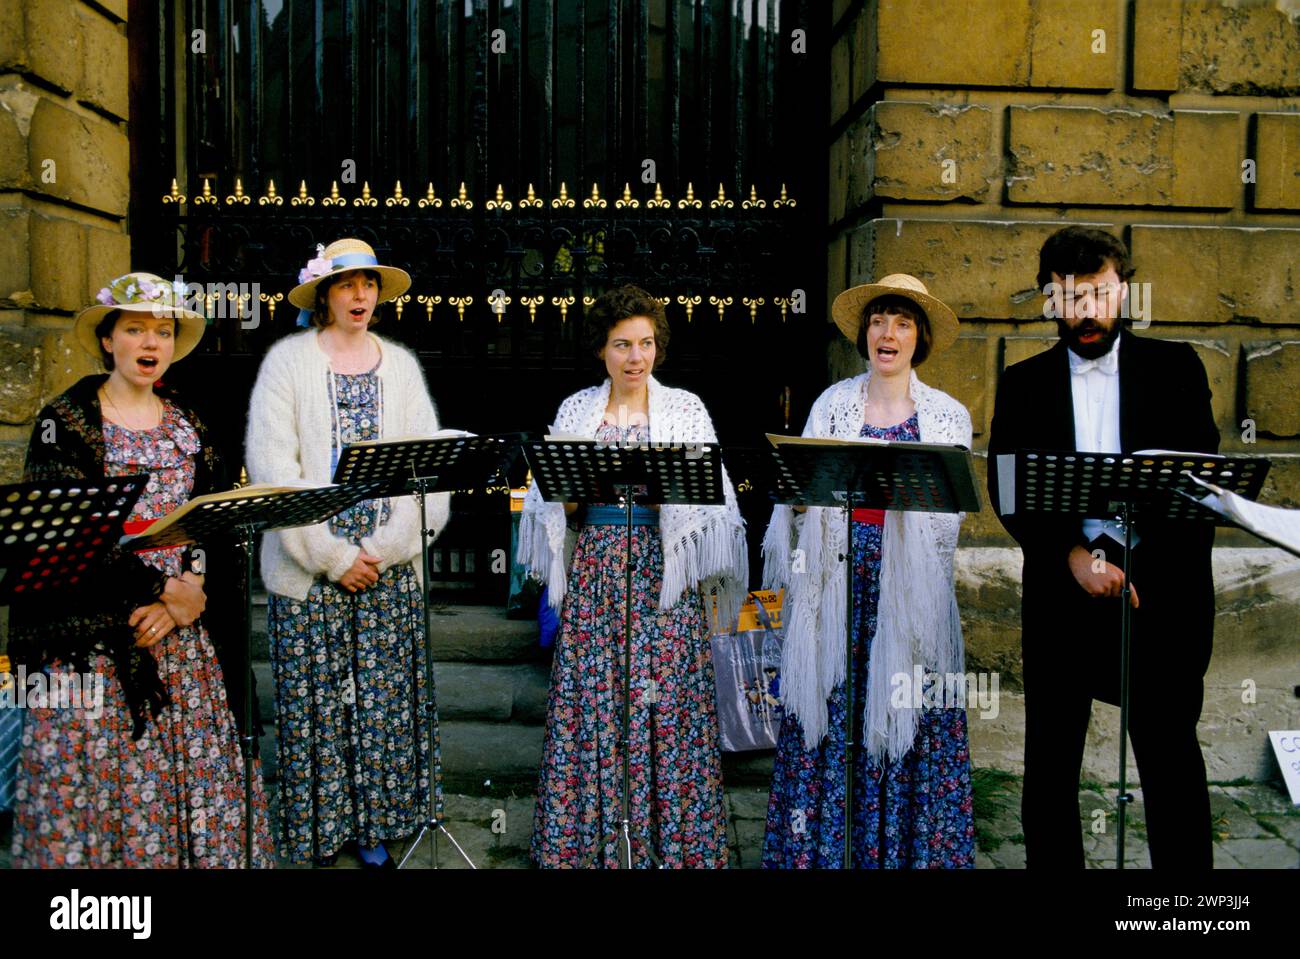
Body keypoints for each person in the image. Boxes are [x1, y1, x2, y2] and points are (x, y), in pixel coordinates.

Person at [8, 271, 274, 868]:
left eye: (162, 330)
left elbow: (210, 522)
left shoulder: (190, 424)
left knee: (197, 781)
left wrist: (193, 588)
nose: (150, 343)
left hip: (183, 639)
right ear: (108, 339)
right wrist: (160, 593)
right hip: (96, 639)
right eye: (135, 329)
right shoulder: (66, 423)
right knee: (100, 792)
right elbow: (66, 538)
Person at [987, 226, 1220, 869]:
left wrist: (1121, 557)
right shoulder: (1023, 381)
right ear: (1048, 300)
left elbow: (1198, 485)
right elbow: (1008, 490)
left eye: (1097, 293)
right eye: (1067, 297)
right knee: (1051, 764)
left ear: (1123, 291)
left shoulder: (1177, 368)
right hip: (1064, 593)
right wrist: (1074, 555)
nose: (1084, 311)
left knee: (1170, 757)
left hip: (1160, 594)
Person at [517, 285, 748, 868]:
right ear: (602, 349)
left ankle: (672, 849)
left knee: (666, 707)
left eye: (645, 343)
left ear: (658, 348)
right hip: (597, 568)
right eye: (622, 344)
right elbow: (556, 512)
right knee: (595, 704)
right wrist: (571, 492)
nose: (634, 357)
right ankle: (589, 848)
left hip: (664, 577)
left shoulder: (687, 409)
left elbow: (713, 507)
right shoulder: (576, 411)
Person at [245, 238, 449, 869]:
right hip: (313, 570)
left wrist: (383, 552)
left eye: (368, 285)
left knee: (383, 707)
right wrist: (333, 558)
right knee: (319, 704)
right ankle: (317, 833)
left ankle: (374, 831)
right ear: (325, 295)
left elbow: (428, 472)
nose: (359, 296)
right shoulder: (287, 362)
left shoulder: (402, 366)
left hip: (386, 570)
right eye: (346, 285)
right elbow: (273, 466)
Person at [761, 274, 975, 869]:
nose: (889, 333)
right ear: (865, 333)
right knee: (830, 723)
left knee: (909, 725)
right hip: (837, 594)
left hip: (908, 604)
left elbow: (945, 524)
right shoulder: (831, 405)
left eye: (903, 323)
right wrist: (800, 503)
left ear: (919, 338)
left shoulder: (948, 416)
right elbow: (799, 500)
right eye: (879, 320)